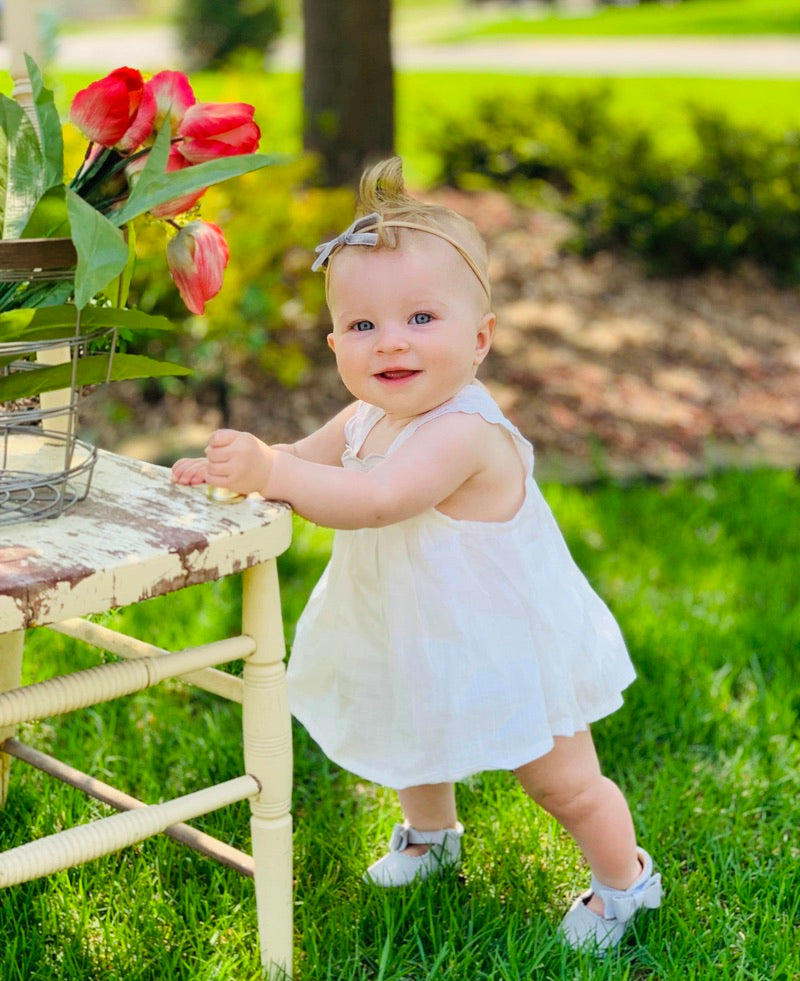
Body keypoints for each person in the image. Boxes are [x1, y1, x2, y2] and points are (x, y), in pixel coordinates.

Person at [172, 157, 662, 952]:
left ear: (481, 338)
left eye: (421, 319)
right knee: (411, 725)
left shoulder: (465, 432)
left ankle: (625, 882)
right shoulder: (366, 413)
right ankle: (430, 838)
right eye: (363, 327)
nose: (390, 342)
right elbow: (309, 456)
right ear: (336, 343)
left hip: (507, 638)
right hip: (414, 622)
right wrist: (252, 464)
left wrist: (275, 473)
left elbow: (373, 502)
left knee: (559, 780)